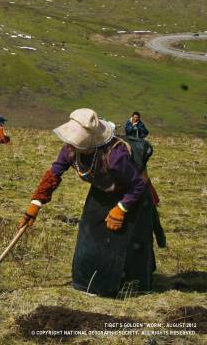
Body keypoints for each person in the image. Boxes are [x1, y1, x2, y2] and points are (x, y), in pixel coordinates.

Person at [18, 108, 160, 296]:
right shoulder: (71, 149)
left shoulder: (115, 156)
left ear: (90, 142)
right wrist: (36, 204)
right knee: (89, 233)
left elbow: (137, 185)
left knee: (126, 241)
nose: (71, 144)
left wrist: (121, 208)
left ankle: (128, 287)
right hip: (102, 191)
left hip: (132, 194)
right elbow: (56, 171)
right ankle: (89, 284)